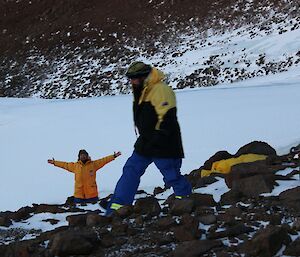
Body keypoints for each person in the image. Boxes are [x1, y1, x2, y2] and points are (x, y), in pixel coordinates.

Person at [105, 61, 192, 215]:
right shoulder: (143, 90)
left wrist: (158, 138)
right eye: (130, 78)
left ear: (143, 76)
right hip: (146, 140)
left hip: (163, 141)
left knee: (170, 174)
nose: (131, 81)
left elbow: (167, 117)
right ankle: (118, 206)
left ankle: (184, 199)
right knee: (131, 169)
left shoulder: (160, 90)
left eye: (133, 78)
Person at [48, 149, 121, 204]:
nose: (83, 156)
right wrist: (54, 162)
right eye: (81, 155)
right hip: (79, 196)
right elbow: (64, 165)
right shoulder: (75, 166)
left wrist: (113, 156)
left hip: (92, 196)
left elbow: (104, 160)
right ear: (79, 157)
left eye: (84, 155)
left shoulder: (93, 164)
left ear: (87, 156)